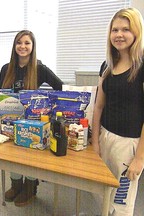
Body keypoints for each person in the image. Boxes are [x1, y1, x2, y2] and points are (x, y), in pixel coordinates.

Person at [0, 30, 63, 206]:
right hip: (10, 122)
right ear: (14, 46)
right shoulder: (6, 68)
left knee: (29, 158)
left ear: (33, 47)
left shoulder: (39, 68)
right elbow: (0, 96)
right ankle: (16, 185)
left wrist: (48, 108)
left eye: (27, 43)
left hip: (32, 123)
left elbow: (60, 86)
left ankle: (29, 189)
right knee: (12, 155)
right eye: (19, 42)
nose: (23, 46)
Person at [91, 7, 144, 216]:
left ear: (136, 33)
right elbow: (98, 106)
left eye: (126, 29)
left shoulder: (141, 66)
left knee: (121, 204)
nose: (119, 35)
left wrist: (139, 158)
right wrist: (95, 143)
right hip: (105, 137)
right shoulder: (107, 64)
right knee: (103, 195)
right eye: (115, 30)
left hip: (128, 145)